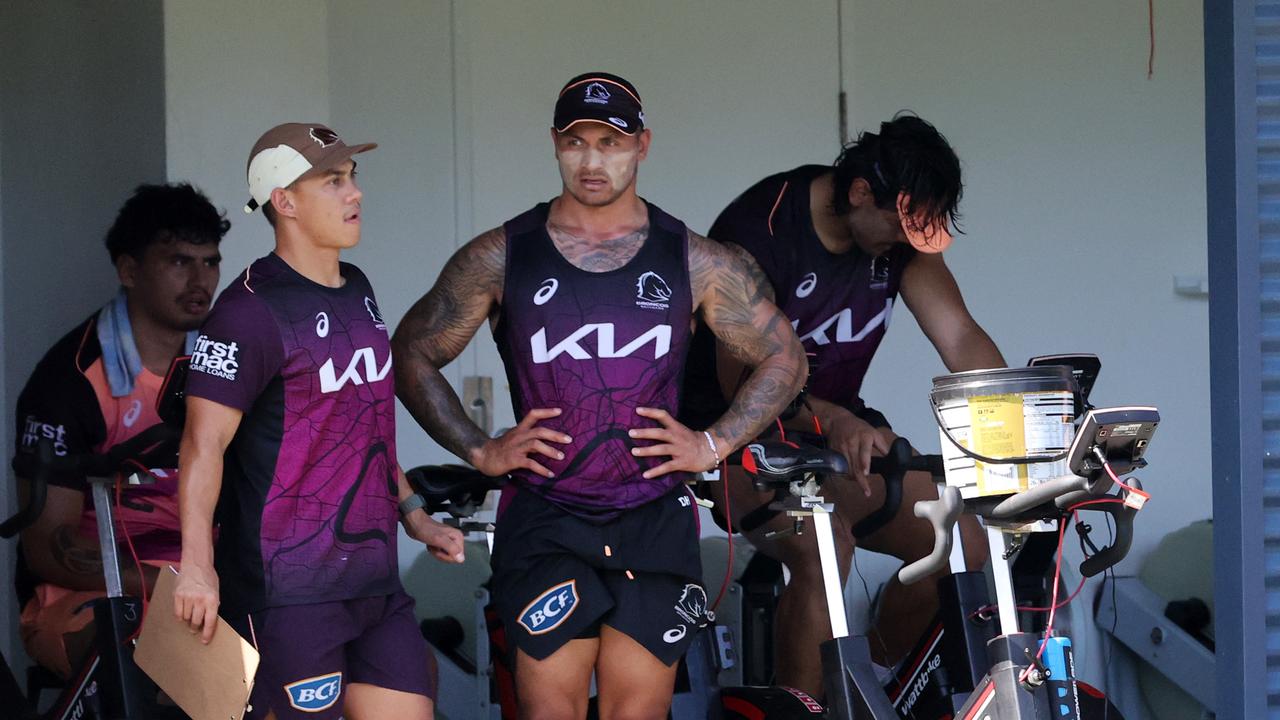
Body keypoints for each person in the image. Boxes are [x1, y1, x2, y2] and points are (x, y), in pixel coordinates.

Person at [392, 72, 807, 720]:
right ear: (556, 144)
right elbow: (412, 351)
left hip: (653, 518)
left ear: (642, 145)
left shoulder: (692, 259)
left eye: (610, 142)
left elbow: (784, 355)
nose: (592, 159)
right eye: (577, 142)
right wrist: (479, 448)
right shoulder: (502, 256)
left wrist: (711, 443)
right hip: (546, 518)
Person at [680, 113, 1002, 697]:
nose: (905, 243)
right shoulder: (761, 230)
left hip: (834, 431)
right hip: (735, 435)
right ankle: (808, 710)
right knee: (824, 551)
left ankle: (864, 688)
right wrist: (833, 419)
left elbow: (960, 338)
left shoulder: (894, 233)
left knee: (962, 545)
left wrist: (1025, 418)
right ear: (859, 193)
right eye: (899, 226)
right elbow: (740, 382)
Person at [172, 123, 466, 720]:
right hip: (289, 592)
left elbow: (365, 427)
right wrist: (198, 569)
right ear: (284, 202)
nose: (354, 193)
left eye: (352, 178)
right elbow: (201, 446)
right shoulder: (247, 311)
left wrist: (416, 518)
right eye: (333, 181)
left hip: (374, 581)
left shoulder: (357, 288)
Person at [12, 182, 227, 677]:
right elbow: (47, 548)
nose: (200, 281)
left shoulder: (226, 360)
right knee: (201, 677)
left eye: (210, 261)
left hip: (208, 581)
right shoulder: (67, 381)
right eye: (179, 262)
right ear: (129, 270)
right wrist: (173, 583)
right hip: (88, 595)